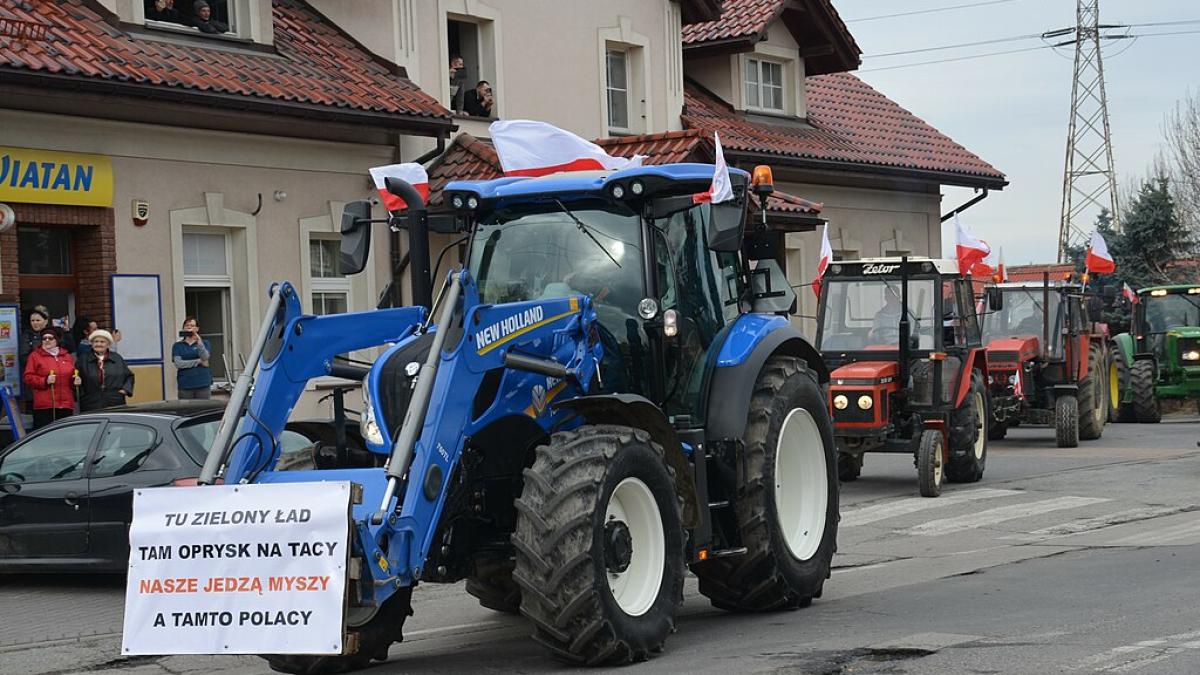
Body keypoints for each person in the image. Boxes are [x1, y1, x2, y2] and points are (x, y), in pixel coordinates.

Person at [23, 329, 79, 429]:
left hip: (65, 404)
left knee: (65, 434)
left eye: (50, 338)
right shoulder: (35, 356)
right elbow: (28, 377)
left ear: (56, 340)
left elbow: (71, 374)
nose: (47, 340)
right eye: (44, 338)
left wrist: (75, 381)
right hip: (45, 405)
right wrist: (45, 381)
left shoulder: (66, 356)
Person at [78, 329, 134, 412]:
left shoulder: (117, 358)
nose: (99, 344)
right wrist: (83, 395)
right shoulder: (83, 360)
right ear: (92, 344)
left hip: (115, 401)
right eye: (96, 341)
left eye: (102, 342)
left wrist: (125, 390)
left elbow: (129, 376)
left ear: (108, 344)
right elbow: (75, 378)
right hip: (90, 402)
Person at [18, 307, 50, 412]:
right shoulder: (27, 336)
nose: (35, 323)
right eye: (32, 320)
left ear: (45, 321)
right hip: (35, 382)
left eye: (38, 320)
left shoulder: (53, 335)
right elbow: (23, 357)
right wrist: (40, 361)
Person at [173, 316, 213, 399]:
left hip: (202, 383)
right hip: (185, 384)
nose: (189, 327)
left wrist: (199, 342)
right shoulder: (177, 346)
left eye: (192, 326)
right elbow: (179, 364)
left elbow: (205, 357)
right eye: (187, 325)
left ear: (197, 329)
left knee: (204, 409)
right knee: (186, 410)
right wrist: (198, 361)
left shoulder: (205, 343)